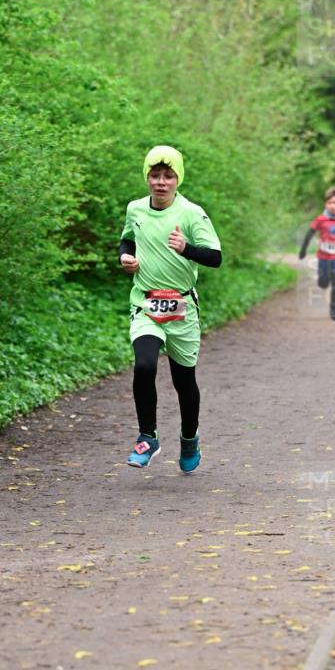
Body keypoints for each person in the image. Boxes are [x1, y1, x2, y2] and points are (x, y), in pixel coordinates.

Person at [119, 145, 222, 473]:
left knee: (184, 381)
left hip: (181, 308)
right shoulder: (135, 209)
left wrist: (187, 249)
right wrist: (126, 257)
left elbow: (215, 257)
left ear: (178, 179)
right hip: (145, 302)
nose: (161, 182)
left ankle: (189, 438)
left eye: (168, 176)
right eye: (155, 175)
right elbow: (127, 240)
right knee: (145, 364)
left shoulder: (191, 213)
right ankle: (147, 437)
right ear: (146, 178)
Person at [299, 187, 335, 321]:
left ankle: (333, 310)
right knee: (323, 283)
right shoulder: (320, 220)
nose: (332, 206)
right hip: (323, 257)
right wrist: (303, 250)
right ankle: (323, 279)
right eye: (329, 203)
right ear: (325, 204)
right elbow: (309, 234)